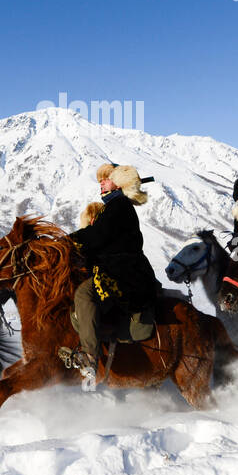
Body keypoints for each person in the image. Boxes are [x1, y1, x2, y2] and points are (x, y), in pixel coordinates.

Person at [65, 163, 160, 380]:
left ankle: (90, 356)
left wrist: (70, 240)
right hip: (121, 270)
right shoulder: (116, 206)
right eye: (100, 180)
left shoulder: (118, 206)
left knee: (83, 294)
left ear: (119, 181)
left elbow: (97, 236)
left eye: (106, 178)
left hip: (124, 274)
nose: (101, 183)